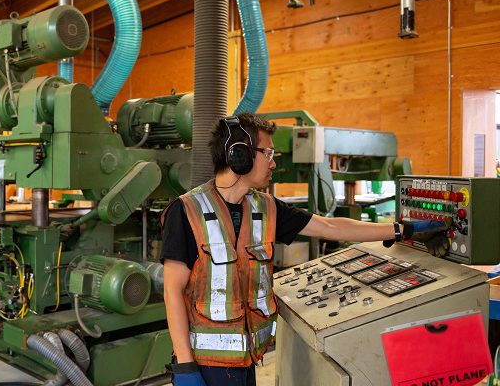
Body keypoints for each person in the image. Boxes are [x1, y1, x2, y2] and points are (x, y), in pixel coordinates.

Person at [160, 113, 446, 386]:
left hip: (246, 361)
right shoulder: (187, 211)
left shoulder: (264, 208)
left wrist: (398, 230)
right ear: (240, 155)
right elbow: (173, 291)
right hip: (205, 365)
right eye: (267, 153)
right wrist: (185, 366)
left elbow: (330, 227)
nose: (273, 163)